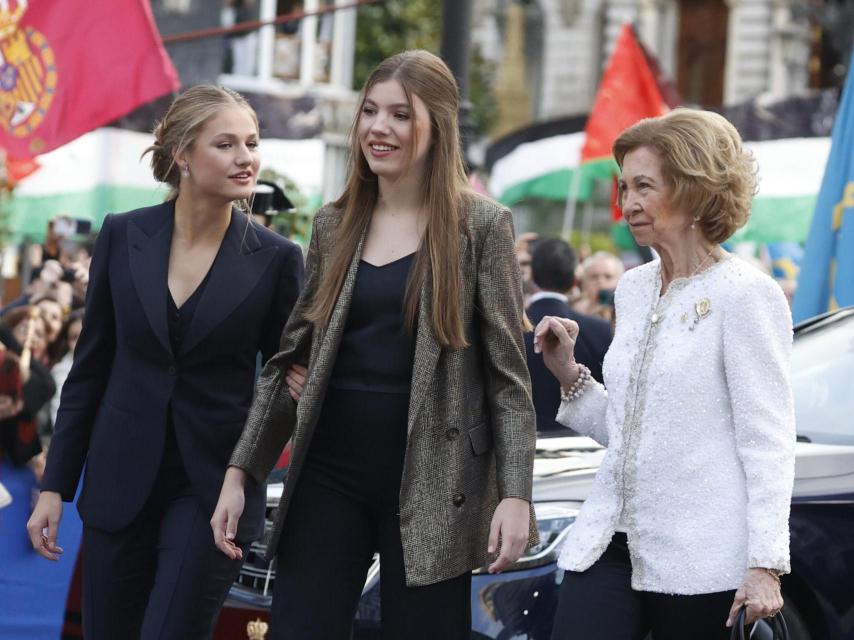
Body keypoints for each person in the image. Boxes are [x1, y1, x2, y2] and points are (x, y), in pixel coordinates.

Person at [212, 50, 537, 640]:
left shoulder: (481, 226)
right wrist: (242, 470)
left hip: (436, 481)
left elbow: (508, 380)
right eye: (369, 111)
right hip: (329, 471)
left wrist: (516, 494)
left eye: (400, 115)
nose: (378, 128)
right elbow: (290, 360)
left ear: (435, 126)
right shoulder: (333, 224)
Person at [27, 85, 305, 640]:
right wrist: (56, 485)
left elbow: (283, 383)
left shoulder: (276, 259)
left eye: (251, 143)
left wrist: (247, 469)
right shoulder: (123, 234)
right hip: (119, 480)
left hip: (212, 489)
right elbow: (90, 369)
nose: (245, 157)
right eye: (225, 144)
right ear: (182, 153)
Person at [536, 109, 795, 639]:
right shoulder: (632, 289)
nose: (626, 203)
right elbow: (631, 430)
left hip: (701, 561)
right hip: (608, 541)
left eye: (643, 187)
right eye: (624, 187)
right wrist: (568, 374)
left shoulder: (746, 295)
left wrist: (765, 562)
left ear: (694, 191)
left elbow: (767, 441)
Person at [523, 238, 611, 433]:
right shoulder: (601, 330)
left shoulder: (510, 330)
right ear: (574, 281)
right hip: (585, 447)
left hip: (523, 447)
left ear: (531, 277)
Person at [573, 250, 624, 321]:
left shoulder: (626, 312)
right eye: (594, 276)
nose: (600, 282)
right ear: (584, 282)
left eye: (608, 276)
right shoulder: (573, 310)